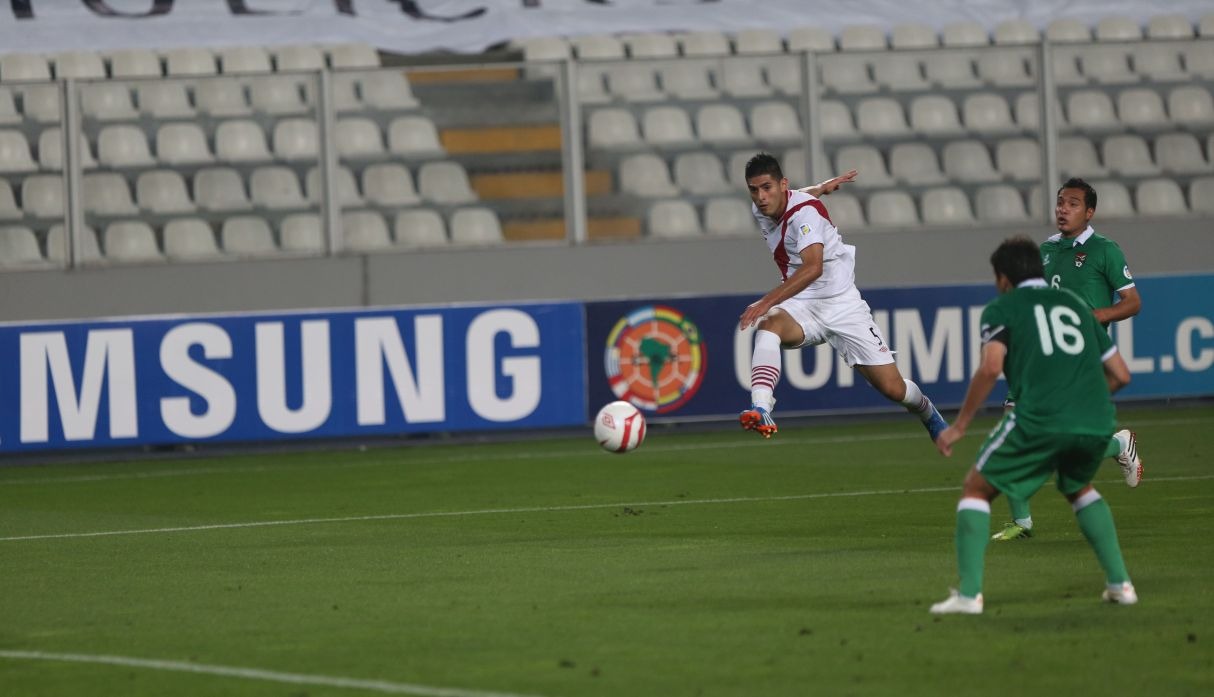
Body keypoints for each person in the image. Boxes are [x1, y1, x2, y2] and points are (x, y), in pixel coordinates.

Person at [930, 236, 1137, 614]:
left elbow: (991, 367)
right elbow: (1121, 375)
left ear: (1004, 279)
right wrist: (1084, 400)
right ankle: (1121, 585)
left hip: (1040, 416)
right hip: (1094, 418)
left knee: (976, 488)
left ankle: (968, 595)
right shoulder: (1077, 306)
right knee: (1079, 488)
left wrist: (959, 426)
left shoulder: (1002, 309)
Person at [737, 153, 948, 443]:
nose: (760, 197)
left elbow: (813, 267)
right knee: (769, 325)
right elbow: (800, 194)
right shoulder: (763, 207)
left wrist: (765, 301)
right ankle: (761, 407)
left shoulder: (806, 215)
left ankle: (928, 412)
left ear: (782, 184)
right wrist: (822, 186)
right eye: (754, 189)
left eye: (767, 188)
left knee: (893, 389)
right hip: (803, 303)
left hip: (842, 303)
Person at [992, 178, 1144, 542]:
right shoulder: (1045, 251)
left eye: (1073, 204)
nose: (1063, 209)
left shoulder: (1106, 251)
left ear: (1089, 212)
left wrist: (1099, 316)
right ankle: (1021, 521)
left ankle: (1118, 445)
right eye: (1060, 202)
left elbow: (1132, 302)